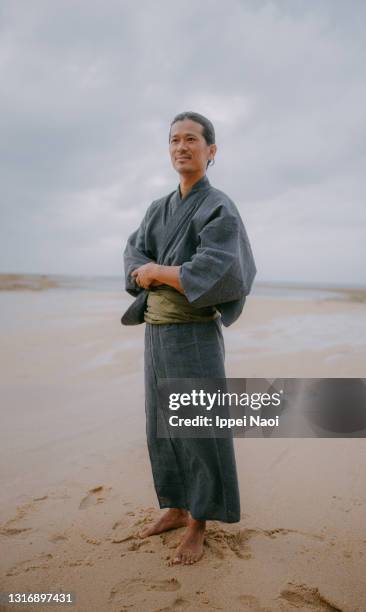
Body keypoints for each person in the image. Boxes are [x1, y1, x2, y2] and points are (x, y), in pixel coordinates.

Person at [122, 111, 256, 565]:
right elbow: (134, 253)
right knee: (159, 426)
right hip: (157, 333)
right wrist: (151, 271)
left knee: (198, 427)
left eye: (192, 140)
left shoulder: (219, 206)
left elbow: (218, 267)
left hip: (194, 333)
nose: (182, 147)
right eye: (174, 140)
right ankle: (176, 508)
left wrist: (160, 271)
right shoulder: (158, 209)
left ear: (210, 151)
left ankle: (200, 521)